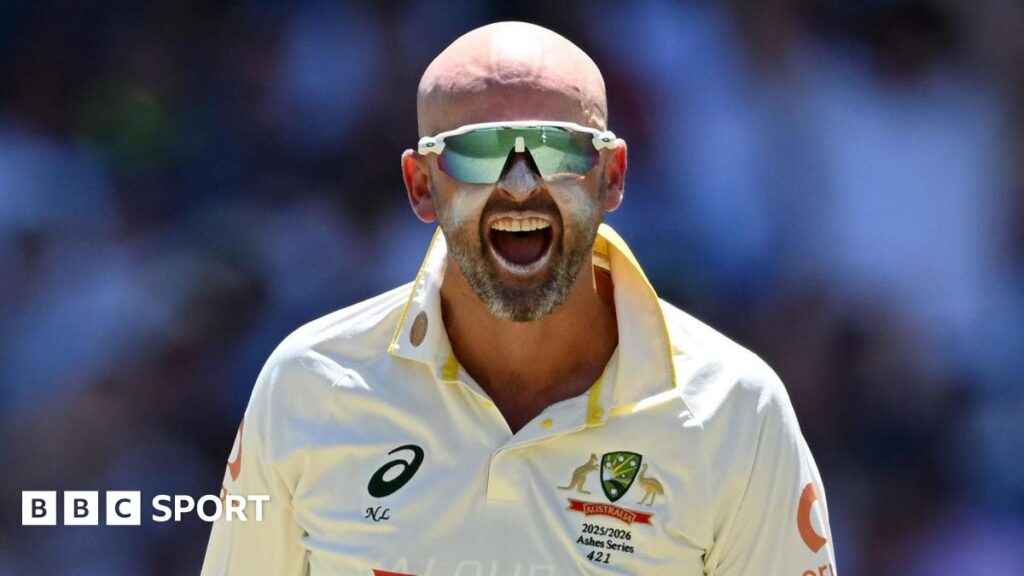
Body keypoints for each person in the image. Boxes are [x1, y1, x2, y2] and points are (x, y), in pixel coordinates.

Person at [201, 21, 837, 576]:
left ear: (612, 176)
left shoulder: (737, 409)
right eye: (479, 151)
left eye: (557, 148)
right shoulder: (308, 385)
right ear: (420, 186)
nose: (521, 184)